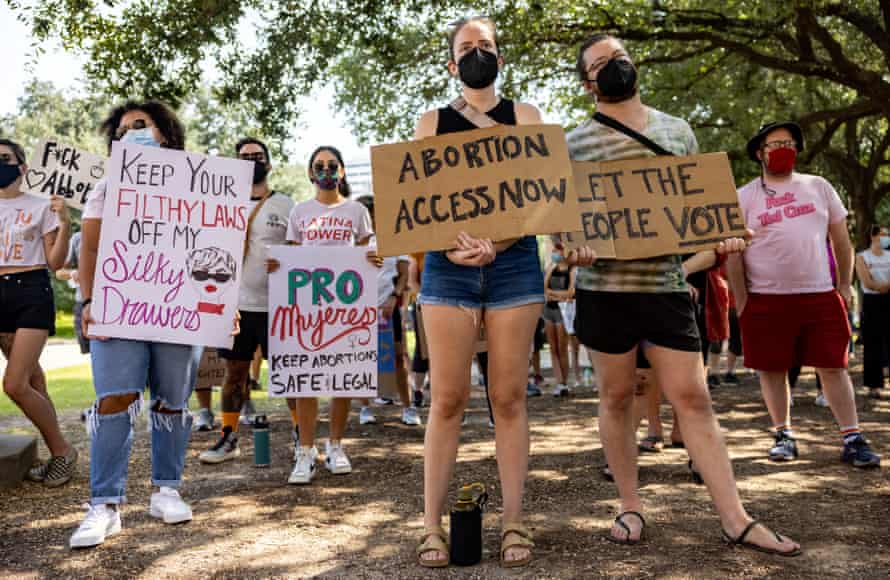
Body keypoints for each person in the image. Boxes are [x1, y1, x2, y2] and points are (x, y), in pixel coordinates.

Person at [567, 34, 800, 555]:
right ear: (587, 83)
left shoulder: (679, 131)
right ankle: (629, 504)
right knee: (615, 397)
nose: (614, 68)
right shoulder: (571, 144)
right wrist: (573, 248)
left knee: (693, 398)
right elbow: (568, 225)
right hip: (603, 292)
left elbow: (700, 216)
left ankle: (735, 517)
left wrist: (725, 237)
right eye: (601, 64)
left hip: (667, 288)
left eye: (619, 59)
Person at [71, 101, 237, 548]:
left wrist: (225, 303)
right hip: (118, 308)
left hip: (178, 311)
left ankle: (167, 489)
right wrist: (88, 300)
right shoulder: (106, 188)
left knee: (172, 399)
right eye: (121, 131)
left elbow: (218, 249)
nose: (130, 134)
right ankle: (103, 504)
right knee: (115, 398)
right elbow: (88, 251)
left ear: (166, 132)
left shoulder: (202, 186)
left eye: (140, 125)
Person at [414, 17, 543, 569]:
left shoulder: (528, 117)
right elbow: (418, 200)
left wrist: (497, 242)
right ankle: (430, 527)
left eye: (485, 45)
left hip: (514, 266)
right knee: (447, 400)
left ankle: (516, 521)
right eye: (466, 48)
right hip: (448, 268)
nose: (477, 53)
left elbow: (540, 196)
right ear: (451, 64)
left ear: (500, 58)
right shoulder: (431, 122)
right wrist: (458, 245)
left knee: (508, 400)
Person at [727, 121, 880, 469]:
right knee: (772, 368)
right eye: (774, 144)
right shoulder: (743, 195)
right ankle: (783, 434)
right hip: (765, 298)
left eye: (789, 143)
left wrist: (843, 286)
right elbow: (733, 253)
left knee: (833, 366)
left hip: (819, 295)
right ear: (759, 153)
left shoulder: (819, 187)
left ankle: (852, 437)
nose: (783, 148)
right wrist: (742, 298)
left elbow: (841, 241)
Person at [276, 145, 377, 485]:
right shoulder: (300, 211)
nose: (326, 170)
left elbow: (368, 250)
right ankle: (306, 450)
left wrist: (373, 259)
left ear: (342, 171)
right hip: (307, 306)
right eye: (319, 165)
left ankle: (335, 445)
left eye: (332, 165)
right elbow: (290, 256)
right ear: (310, 173)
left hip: (346, 307)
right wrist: (278, 267)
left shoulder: (357, 210)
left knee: (342, 378)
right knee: (307, 379)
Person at [199, 137, 294, 464]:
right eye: (244, 157)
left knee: (288, 373)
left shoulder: (286, 205)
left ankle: (301, 434)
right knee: (234, 374)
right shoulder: (223, 204)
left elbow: (302, 249)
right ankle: (228, 437)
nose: (252, 161)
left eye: (258, 156)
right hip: (236, 306)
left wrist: (286, 259)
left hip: (277, 306)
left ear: (268, 163)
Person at [0, 138, 77, 486]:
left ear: (22, 166)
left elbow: (55, 261)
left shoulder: (43, 205)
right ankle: (54, 455)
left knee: (14, 384)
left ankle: (64, 452)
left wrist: (65, 223)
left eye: (4, 158)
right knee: (33, 380)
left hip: (30, 290)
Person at [355, 195, 421, 426]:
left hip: (385, 307)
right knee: (361, 357)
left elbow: (403, 273)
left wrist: (395, 296)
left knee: (396, 356)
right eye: (365, 213)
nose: (370, 217)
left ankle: (408, 406)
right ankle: (365, 407)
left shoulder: (392, 237)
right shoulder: (352, 241)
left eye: (373, 213)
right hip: (359, 309)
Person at [855, 225, 890, 399]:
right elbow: (866, 282)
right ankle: (873, 385)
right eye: (884, 234)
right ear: (873, 236)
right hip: (871, 302)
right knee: (872, 344)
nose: (886, 238)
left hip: (888, 300)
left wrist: (884, 288)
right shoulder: (862, 257)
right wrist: (880, 287)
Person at [542, 243, 576, 396]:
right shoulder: (551, 267)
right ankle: (558, 381)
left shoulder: (572, 270)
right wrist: (558, 295)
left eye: (558, 250)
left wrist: (553, 294)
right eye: (554, 250)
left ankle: (564, 382)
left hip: (563, 312)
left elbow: (570, 293)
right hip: (549, 310)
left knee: (562, 348)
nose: (555, 252)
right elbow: (543, 289)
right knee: (553, 348)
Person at [56, 229, 90, 355]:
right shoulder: (78, 238)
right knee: (90, 356)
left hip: (115, 306)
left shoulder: (120, 233)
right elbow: (59, 271)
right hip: (83, 303)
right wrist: (73, 273)